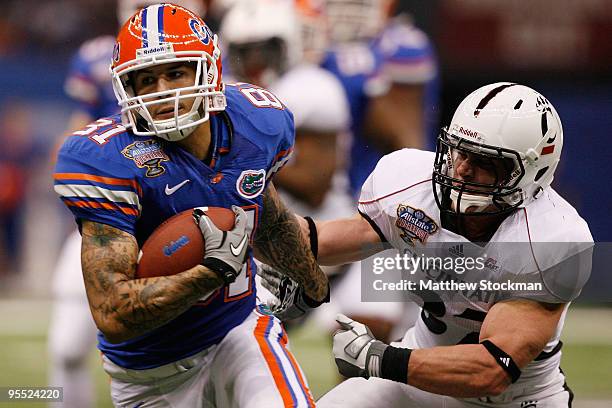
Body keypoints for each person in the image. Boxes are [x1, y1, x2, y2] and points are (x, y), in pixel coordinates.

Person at [53, 3, 327, 407]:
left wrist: (313, 283)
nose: (163, 91)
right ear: (125, 90)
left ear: (210, 71)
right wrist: (209, 271)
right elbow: (113, 314)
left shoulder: (257, 121)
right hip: (150, 374)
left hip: (239, 334)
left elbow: (267, 216)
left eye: (176, 72)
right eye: (146, 80)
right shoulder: (104, 160)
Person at [262, 82, 592, 406]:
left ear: (529, 174)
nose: (462, 169)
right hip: (416, 377)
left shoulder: (552, 239)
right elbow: (320, 241)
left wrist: (379, 357)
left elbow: (492, 370)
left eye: (485, 162)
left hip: (512, 401)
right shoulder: (411, 185)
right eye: (460, 151)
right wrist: (254, 232)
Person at [48, 3, 206, 407]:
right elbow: (78, 125)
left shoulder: (201, 58)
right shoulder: (97, 56)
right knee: (66, 346)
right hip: (111, 208)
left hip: (177, 216)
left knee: (197, 344)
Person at [314, 0, 438, 343]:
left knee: (375, 327)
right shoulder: (329, 51)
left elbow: (405, 132)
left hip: (392, 201)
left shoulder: (401, 44)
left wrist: (417, 193)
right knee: (359, 326)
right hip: (350, 198)